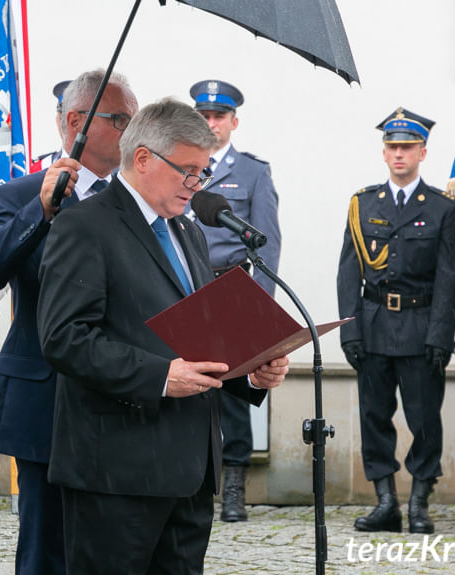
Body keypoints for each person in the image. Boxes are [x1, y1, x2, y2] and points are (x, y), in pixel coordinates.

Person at [37, 97, 289, 574]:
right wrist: (158, 376)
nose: (197, 185)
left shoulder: (188, 232)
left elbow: (201, 338)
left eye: (204, 172)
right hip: (117, 471)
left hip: (190, 468)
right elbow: (64, 337)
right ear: (144, 158)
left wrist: (251, 373)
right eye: (188, 171)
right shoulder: (85, 225)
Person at [0, 69, 137, 575]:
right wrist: (40, 211)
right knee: (45, 548)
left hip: (119, 397)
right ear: (78, 122)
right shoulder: (19, 195)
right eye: (122, 119)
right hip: (47, 400)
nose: (133, 129)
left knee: (112, 546)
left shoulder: (134, 203)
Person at [336, 107, 455, 535]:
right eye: (392, 146)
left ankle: (419, 502)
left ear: (423, 152)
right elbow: (348, 273)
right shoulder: (363, 204)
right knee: (374, 416)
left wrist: (441, 335)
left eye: (407, 147)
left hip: (420, 326)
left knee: (425, 419)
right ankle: (386, 501)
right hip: (373, 326)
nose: (398, 154)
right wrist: (349, 330)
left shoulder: (443, 208)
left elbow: (451, 278)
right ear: (384, 151)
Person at [187, 79, 282, 522]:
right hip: (186, 290)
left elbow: (268, 244)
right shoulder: (182, 170)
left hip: (231, 291)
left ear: (233, 122)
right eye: (203, 116)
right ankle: (193, 481)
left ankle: (235, 484)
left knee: (233, 390)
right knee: (188, 386)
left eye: (218, 116)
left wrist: (259, 311)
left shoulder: (252, 172)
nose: (211, 123)